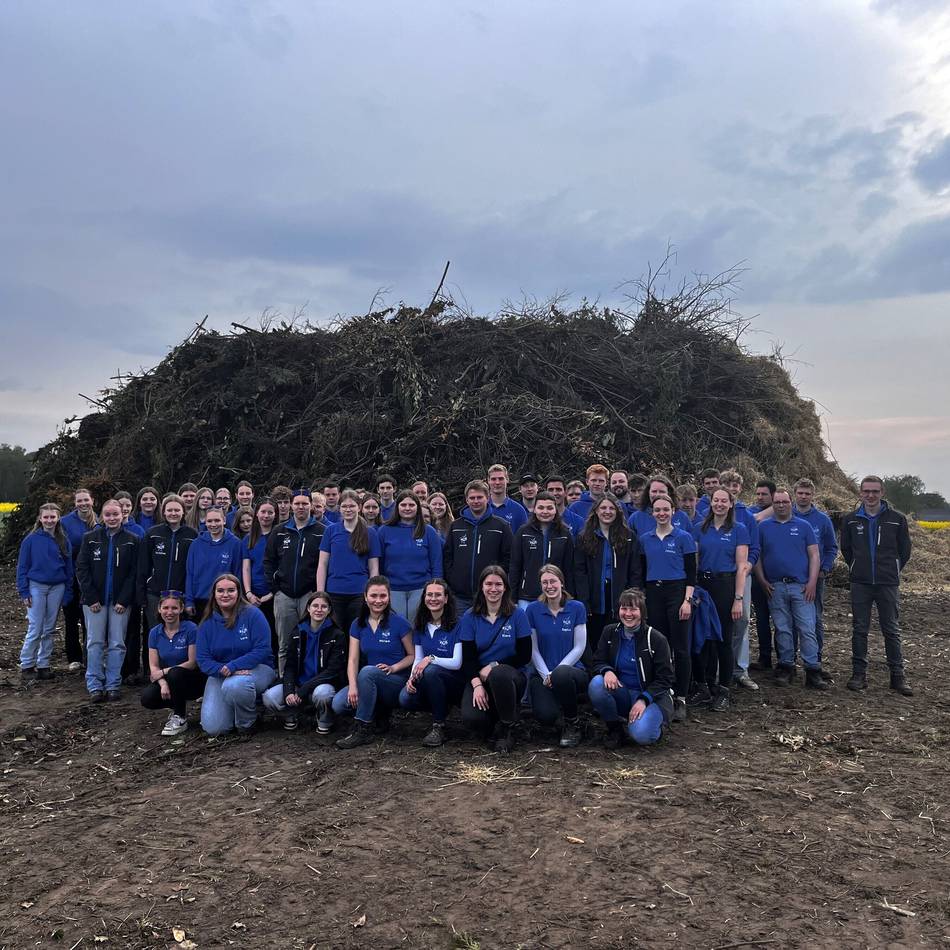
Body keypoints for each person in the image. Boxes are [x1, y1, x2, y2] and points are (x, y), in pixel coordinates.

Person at [840, 476, 913, 696]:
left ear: (882, 493)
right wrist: (857, 567)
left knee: (891, 629)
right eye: (866, 491)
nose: (870, 495)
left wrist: (893, 568)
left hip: (887, 583)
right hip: (860, 583)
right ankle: (858, 675)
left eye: (875, 491)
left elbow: (905, 550)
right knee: (859, 629)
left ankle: (897, 676)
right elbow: (846, 549)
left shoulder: (897, 519)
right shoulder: (850, 520)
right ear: (860, 493)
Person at [753, 488, 826, 690]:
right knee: (783, 628)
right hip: (775, 586)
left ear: (790, 503)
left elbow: (814, 555)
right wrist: (762, 580)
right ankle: (786, 666)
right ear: (773, 504)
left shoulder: (803, 526)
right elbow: (757, 555)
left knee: (807, 628)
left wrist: (812, 582)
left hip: (801, 586)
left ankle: (813, 669)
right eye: (777, 502)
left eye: (784, 502)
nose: (781, 505)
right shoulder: (763, 527)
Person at [333, 577, 414, 748]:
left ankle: (362, 730)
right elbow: (353, 659)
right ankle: (379, 715)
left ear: (389, 597)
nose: (378, 600)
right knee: (339, 704)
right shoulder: (358, 624)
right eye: (373, 596)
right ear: (365, 597)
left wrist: (394, 667)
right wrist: (353, 686)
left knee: (368, 672)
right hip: (368, 680)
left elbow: (412, 655)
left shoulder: (400, 623)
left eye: (383, 596)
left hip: (396, 680)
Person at [588, 588, 674, 748]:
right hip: (623, 691)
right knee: (597, 684)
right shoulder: (609, 632)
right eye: (624, 608)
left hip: (651, 697)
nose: (628, 614)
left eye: (633, 609)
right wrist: (607, 670)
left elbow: (666, 678)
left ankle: (656, 726)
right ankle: (615, 729)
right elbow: (598, 661)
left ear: (642, 612)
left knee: (642, 736)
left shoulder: (656, 639)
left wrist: (644, 699)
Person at [459, 566, 532, 753]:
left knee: (499, 674)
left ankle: (507, 727)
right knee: (472, 719)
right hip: (480, 678)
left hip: (511, 677)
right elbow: (468, 659)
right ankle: (498, 719)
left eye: (498, 584)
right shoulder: (469, 617)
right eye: (489, 584)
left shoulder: (517, 614)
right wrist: (477, 685)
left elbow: (525, 655)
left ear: (505, 587)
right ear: (481, 587)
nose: (493, 589)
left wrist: (493, 665)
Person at [638, 493, 697, 722]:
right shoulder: (645, 538)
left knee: (681, 648)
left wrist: (687, 601)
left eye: (665, 509)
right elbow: (642, 570)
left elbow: (691, 573)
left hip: (677, 592)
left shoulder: (683, 537)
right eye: (657, 510)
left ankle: (681, 697)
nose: (661, 513)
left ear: (673, 511)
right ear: (652, 513)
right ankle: (663, 692)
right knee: (658, 646)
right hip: (654, 593)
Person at [76, 499, 140, 701]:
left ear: (123, 515)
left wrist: (124, 599)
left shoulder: (132, 540)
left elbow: (134, 573)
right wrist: (91, 597)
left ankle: (113, 684)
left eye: (115, 514)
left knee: (117, 643)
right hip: (94, 602)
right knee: (94, 642)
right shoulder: (90, 538)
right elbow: (82, 569)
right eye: (108, 514)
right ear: (102, 516)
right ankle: (95, 684)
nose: (112, 518)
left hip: (120, 603)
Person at [196, 574, 275, 735]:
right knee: (214, 729)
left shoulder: (253, 614)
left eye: (231, 590)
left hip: (257, 669)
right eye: (220, 591)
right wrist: (224, 670)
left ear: (239, 593)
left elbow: (262, 649)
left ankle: (247, 723)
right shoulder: (207, 623)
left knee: (236, 685)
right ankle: (234, 709)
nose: (225, 595)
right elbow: (203, 659)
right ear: (214, 594)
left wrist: (233, 666)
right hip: (220, 673)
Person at [693, 489, 749, 711]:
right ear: (710, 503)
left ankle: (724, 690)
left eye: (724, 501)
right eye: (716, 500)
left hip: (726, 586)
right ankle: (704, 687)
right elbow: (695, 562)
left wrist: (738, 598)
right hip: (703, 587)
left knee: (723, 639)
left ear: (731, 504)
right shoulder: (700, 528)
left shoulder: (739, 529)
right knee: (702, 639)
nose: (719, 504)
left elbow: (742, 567)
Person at [262, 591, 347, 732]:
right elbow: (290, 666)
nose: (319, 610)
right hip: (299, 684)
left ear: (329, 610)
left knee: (322, 694)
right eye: (315, 606)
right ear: (308, 608)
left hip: (323, 684)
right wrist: (289, 691)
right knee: (269, 697)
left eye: (324, 607)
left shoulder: (337, 635)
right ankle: (292, 714)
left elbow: (333, 670)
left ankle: (325, 718)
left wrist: (304, 690)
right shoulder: (298, 631)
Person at [525, 565, 588, 747]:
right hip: (542, 674)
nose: (549, 586)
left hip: (572, 672)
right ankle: (559, 714)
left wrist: (557, 672)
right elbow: (533, 649)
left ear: (561, 582)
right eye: (544, 582)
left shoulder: (577, 608)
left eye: (553, 581)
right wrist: (546, 675)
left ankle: (573, 722)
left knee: (562, 675)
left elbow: (579, 646)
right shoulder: (532, 610)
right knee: (546, 716)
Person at [573, 493, 643, 654]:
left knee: (617, 640)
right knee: (595, 640)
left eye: (612, 508)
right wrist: (584, 600)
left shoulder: (628, 537)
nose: (607, 511)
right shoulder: (584, 537)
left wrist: (634, 596)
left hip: (619, 596)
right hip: (594, 596)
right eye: (603, 508)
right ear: (596, 511)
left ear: (617, 512)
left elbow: (635, 570)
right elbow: (579, 571)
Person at [265, 490, 325, 673]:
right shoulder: (279, 531)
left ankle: (309, 679)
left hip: (310, 595)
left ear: (311, 505)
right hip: (284, 596)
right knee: (285, 642)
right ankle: (284, 679)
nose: (301, 507)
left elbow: (325, 563)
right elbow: (268, 561)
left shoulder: (321, 531)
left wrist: (317, 592)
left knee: (311, 640)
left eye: (305, 503)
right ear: (291, 505)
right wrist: (276, 589)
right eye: (297, 503)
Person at [399, 579, 465, 747]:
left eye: (438, 595)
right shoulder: (420, 625)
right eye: (429, 595)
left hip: (455, 680)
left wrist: (431, 659)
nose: (433, 598)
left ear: (446, 598)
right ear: (424, 598)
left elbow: (457, 663)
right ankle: (441, 706)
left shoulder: (458, 624)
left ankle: (439, 725)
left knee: (431, 671)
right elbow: (418, 658)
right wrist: (411, 678)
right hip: (431, 679)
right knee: (405, 698)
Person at [17, 503, 73, 681]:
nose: (49, 520)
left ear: (58, 518)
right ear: (40, 519)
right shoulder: (31, 540)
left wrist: (68, 591)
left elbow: (69, 568)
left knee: (49, 628)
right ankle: (27, 664)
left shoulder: (63, 540)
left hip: (57, 587)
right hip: (36, 586)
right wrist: (24, 591)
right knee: (36, 626)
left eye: (52, 517)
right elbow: (22, 567)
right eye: (46, 517)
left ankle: (44, 664)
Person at [717, 470, 762, 692]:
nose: (731, 488)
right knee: (719, 623)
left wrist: (748, 566)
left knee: (742, 621)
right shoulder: (710, 513)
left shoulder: (747, 516)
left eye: (735, 485)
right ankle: (719, 669)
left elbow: (755, 547)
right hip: (718, 578)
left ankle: (740, 669)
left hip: (742, 577)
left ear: (740, 489)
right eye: (727, 484)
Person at [443, 479, 513, 613]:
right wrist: (453, 579)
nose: (476, 501)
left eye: (479, 497)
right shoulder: (456, 526)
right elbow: (447, 556)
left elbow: (509, 557)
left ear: (488, 498)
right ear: (467, 500)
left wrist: (497, 577)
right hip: (460, 597)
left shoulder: (501, 526)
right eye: (472, 498)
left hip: (490, 595)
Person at [140, 591, 205, 736]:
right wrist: (163, 683)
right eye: (165, 608)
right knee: (147, 698)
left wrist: (164, 672)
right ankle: (176, 706)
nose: (169, 612)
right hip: (170, 680)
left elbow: (192, 663)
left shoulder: (191, 628)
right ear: (159, 609)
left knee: (176, 673)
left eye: (174, 608)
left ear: (181, 609)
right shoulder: (155, 633)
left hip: (193, 679)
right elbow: (154, 666)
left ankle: (180, 717)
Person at [317, 488, 382, 634]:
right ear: (339, 508)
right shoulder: (331, 530)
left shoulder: (370, 532)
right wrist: (320, 593)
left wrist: (372, 592)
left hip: (359, 592)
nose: (348, 509)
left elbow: (374, 567)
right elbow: (322, 564)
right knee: (335, 634)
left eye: (352, 506)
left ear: (359, 507)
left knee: (357, 633)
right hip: (334, 592)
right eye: (344, 506)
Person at [138, 492, 197, 638]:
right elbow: (143, 566)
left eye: (177, 510)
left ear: (183, 512)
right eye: (169, 510)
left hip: (180, 594)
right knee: (155, 633)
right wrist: (142, 593)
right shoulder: (152, 534)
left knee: (179, 635)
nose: (173, 513)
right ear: (163, 512)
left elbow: (194, 568)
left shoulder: (192, 535)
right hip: (155, 594)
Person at [793, 478, 838, 666]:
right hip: (791, 577)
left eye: (807, 494)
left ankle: (815, 659)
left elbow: (831, 547)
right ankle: (789, 661)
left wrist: (824, 569)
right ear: (795, 494)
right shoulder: (785, 515)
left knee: (815, 618)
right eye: (800, 493)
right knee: (789, 620)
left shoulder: (822, 519)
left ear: (813, 495)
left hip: (814, 578)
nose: (803, 497)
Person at [378, 490, 443, 620]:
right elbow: (379, 563)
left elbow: (436, 563)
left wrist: (436, 587)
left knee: (418, 625)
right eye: (403, 505)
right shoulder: (384, 531)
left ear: (417, 507)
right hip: (393, 589)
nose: (407, 508)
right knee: (397, 626)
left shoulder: (429, 531)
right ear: (397, 507)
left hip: (421, 588)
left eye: (411, 505)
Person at [509, 491, 575, 607]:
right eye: (540, 508)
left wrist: (569, 596)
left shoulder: (565, 534)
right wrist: (512, 598)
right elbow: (515, 566)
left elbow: (569, 569)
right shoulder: (523, 532)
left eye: (549, 508)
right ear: (534, 509)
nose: (545, 512)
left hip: (556, 596)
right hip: (527, 596)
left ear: (555, 510)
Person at [61, 488, 97, 672]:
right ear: (75, 503)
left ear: (92, 501)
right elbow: (61, 548)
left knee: (89, 619)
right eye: (79, 501)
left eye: (86, 500)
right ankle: (74, 657)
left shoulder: (99, 521)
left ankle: (90, 655)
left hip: (92, 577)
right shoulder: (65, 522)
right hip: (71, 576)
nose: (83, 503)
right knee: (71, 617)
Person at [184, 507, 242, 619]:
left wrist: (237, 600)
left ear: (224, 520)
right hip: (200, 600)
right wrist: (189, 601)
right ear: (205, 522)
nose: (213, 524)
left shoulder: (235, 543)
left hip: (224, 600)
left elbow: (237, 574)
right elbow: (190, 573)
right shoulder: (196, 544)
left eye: (217, 520)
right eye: (209, 521)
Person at [242, 497, 277, 653]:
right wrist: (249, 593)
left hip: (274, 594)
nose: (266, 516)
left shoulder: (279, 536)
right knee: (254, 634)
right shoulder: (249, 539)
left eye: (270, 512)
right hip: (253, 595)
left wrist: (272, 592)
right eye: (263, 512)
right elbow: (246, 567)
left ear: (275, 515)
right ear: (256, 513)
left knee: (274, 633)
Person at [748, 480, 776, 668]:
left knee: (782, 619)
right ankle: (764, 656)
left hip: (777, 575)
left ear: (772, 495)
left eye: (764, 494)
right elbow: (753, 518)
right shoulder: (751, 512)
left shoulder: (782, 512)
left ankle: (784, 659)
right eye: (757, 494)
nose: (760, 497)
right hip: (757, 575)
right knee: (762, 617)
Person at [628, 475, 694, 536]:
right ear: (648, 492)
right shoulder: (635, 518)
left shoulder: (682, 517)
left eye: (662, 491)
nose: (658, 495)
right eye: (654, 491)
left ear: (669, 493)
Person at [487, 463, 528, 532]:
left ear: (507, 479)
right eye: (493, 479)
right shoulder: (481, 508)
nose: (497, 482)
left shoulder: (519, 510)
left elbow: (525, 536)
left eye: (501, 479)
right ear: (488, 481)